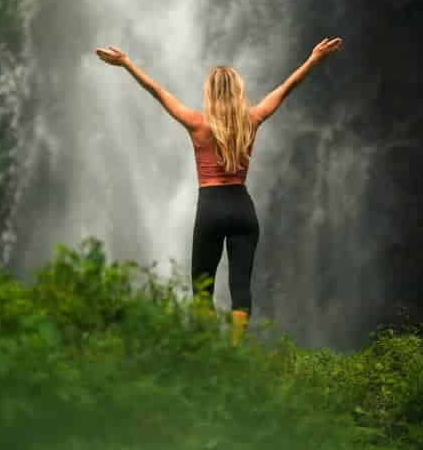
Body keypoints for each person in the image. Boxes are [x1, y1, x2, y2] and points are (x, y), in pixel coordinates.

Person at [95, 36, 343, 346]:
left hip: (210, 208)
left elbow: (157, 92)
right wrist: (313, 59)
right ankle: (234, 350)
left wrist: (127, 63)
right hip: (242, 208)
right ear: (239, 90)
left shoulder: (196, 124)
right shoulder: (251, 120)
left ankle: (209, 352)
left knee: (202, 288)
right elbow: (286, 88)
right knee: (240, 287)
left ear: (209, 92)